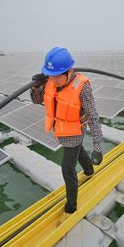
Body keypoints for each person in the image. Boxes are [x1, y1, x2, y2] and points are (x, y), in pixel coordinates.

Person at [30, 47, 104, 217]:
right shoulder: (50, 81)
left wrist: (98, 147)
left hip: (74, 131)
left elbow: (93, 117)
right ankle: (89, 170)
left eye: (57, 76)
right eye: (50, 76)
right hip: (61, 130)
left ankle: (71, 206)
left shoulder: (82, 87)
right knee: (78, 151)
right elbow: (37, 100)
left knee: (67, 168)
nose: (53, 80)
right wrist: (36, 86)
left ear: (68, 71)